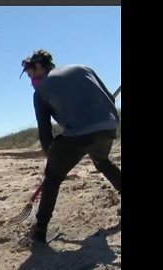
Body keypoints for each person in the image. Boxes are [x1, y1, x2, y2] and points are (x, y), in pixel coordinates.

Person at [20, 49, 121, 243]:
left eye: (31, 75)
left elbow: (45, 133)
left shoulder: (40, 92)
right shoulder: (83, 68)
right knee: (101, 161)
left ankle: (40, 230)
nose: (32, 81)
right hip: (108, 127)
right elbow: (110, 97)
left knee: (52, 179)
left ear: (39, 66)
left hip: (78, 134)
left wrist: (53, 162)